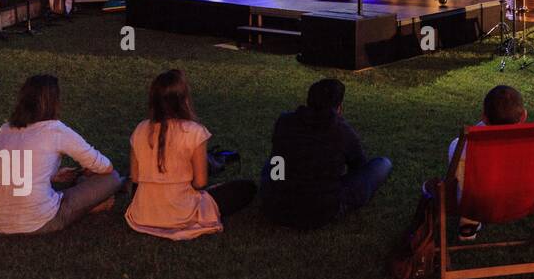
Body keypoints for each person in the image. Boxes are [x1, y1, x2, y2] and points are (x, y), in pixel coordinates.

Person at [0, 74, 123, 235]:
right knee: (112, 178)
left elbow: (16, 170)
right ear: (53, 102)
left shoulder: (3, 130)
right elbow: (105, 166)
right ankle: (92, 205)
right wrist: (90, 171)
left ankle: (87, 197)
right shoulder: (54, 130)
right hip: (37, 221)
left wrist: (52, 176)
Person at [125, 69, 256, 240]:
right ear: (184, 100)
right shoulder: (195, 132)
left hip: (144, 214)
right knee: (246, 188)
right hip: (181, 214)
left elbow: (135, 177)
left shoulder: (140, 129)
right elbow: (200, 182)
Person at [260, 79, 392, 230]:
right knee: (382, 164)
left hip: (275, 205)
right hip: (319, 211)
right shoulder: (341, 131)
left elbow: (277, 160)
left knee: (271, 162)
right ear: (339, 107)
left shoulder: (284, 120)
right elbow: (359, 167)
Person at [446, 85, 529, 243]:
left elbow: (459, 179)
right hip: (519, 200)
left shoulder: (460, 147)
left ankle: (468, 225)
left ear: (484, 117)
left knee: (468, 186)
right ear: (524, 116)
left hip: (475, 203)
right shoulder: (533, 145)